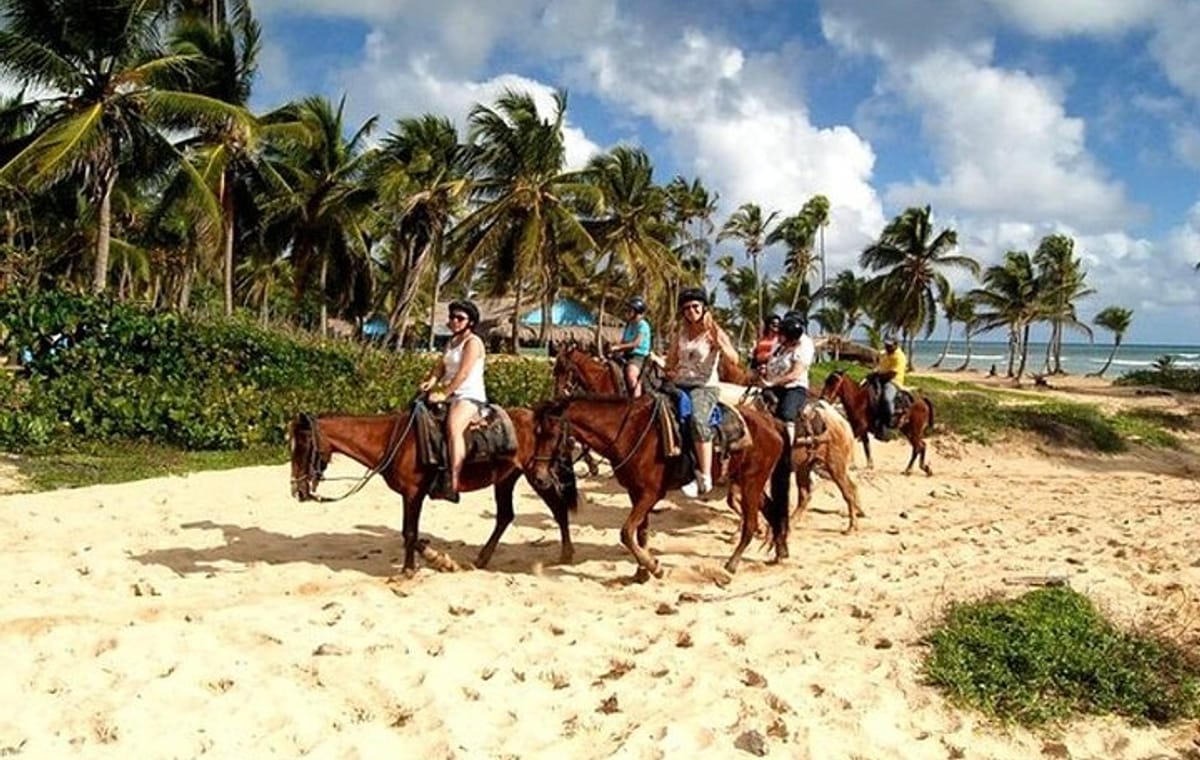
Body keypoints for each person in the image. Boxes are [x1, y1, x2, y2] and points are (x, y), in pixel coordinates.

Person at [665, 287, 739, 497]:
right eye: (686, 308)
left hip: (704, 386)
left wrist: (722, 347)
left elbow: (734, 359)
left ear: (704, 307)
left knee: (698, 420)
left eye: (695, 306)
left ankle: (705, 476)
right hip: (680, 384)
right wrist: (666, 367)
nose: (691, 311)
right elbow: (672, 361)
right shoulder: (680, 333)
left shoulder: (713, 331)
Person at [418, 300, 487, 500]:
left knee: (454, 427)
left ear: (470, 322)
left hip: (469, 395)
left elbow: (464, 373)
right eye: (452, 317)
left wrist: (444, 393)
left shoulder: (473, 342)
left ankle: (454, 480)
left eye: (460, 318)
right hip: (451, 393)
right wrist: (431, 381)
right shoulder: (452, 342)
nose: (454, 321)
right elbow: (441, 365)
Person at [757, 314, 815, 442]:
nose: (778, 336)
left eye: (781, 334)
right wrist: (765, 370)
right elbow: (772, 363)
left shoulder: (803, 347)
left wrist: (771, 383)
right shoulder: (778, 347)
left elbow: (795, 374)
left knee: (786, 414)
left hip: (793, 388)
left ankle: (787, 447)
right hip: (773, 385)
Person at [607, 296, 653, 397]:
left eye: (630, 310)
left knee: (631, 374)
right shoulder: (629, 325)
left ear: (637, 311)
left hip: (639, 356)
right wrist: (615, 351)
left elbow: (636, 343)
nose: (627, 312)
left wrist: (618, 347)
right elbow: (623, 342)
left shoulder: (643, 325)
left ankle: (636, 401)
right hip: (626, 354)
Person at [874, 336, 908, 439]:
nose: (887, 347)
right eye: (886, 345)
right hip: (880, 377)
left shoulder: (900, 357)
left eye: (889, 345)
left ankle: (889, 423)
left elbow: (892, 374)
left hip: (892, 381)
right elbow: (877, 358)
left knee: (886, 399)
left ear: (895, 345)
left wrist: (878, 376)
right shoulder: (883, 353)